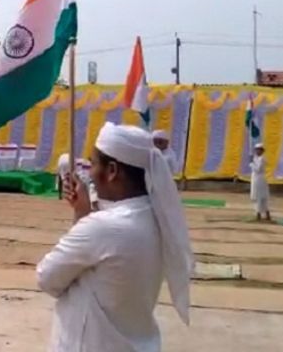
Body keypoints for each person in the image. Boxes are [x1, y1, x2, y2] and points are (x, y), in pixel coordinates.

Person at [37, 122, 193, 352]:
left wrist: (85, 218)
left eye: (93, 164)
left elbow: (47, 278)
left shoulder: (103, 227)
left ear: (112, 171)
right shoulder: (156, 218)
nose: (89, 174)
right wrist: (83, 212)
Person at [250, 143, 271, 221]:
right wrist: (252, 160)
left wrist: (251, 164)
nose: (257, 151)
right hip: (255, 178)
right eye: (256, 149)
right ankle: (264, 213)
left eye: (259, 150)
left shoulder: (262, 159)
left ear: (262, 151)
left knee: (260, 196)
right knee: (256, 196)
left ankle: (259, 214)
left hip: (259, 179)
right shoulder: (256, 158)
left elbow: (258, 169)